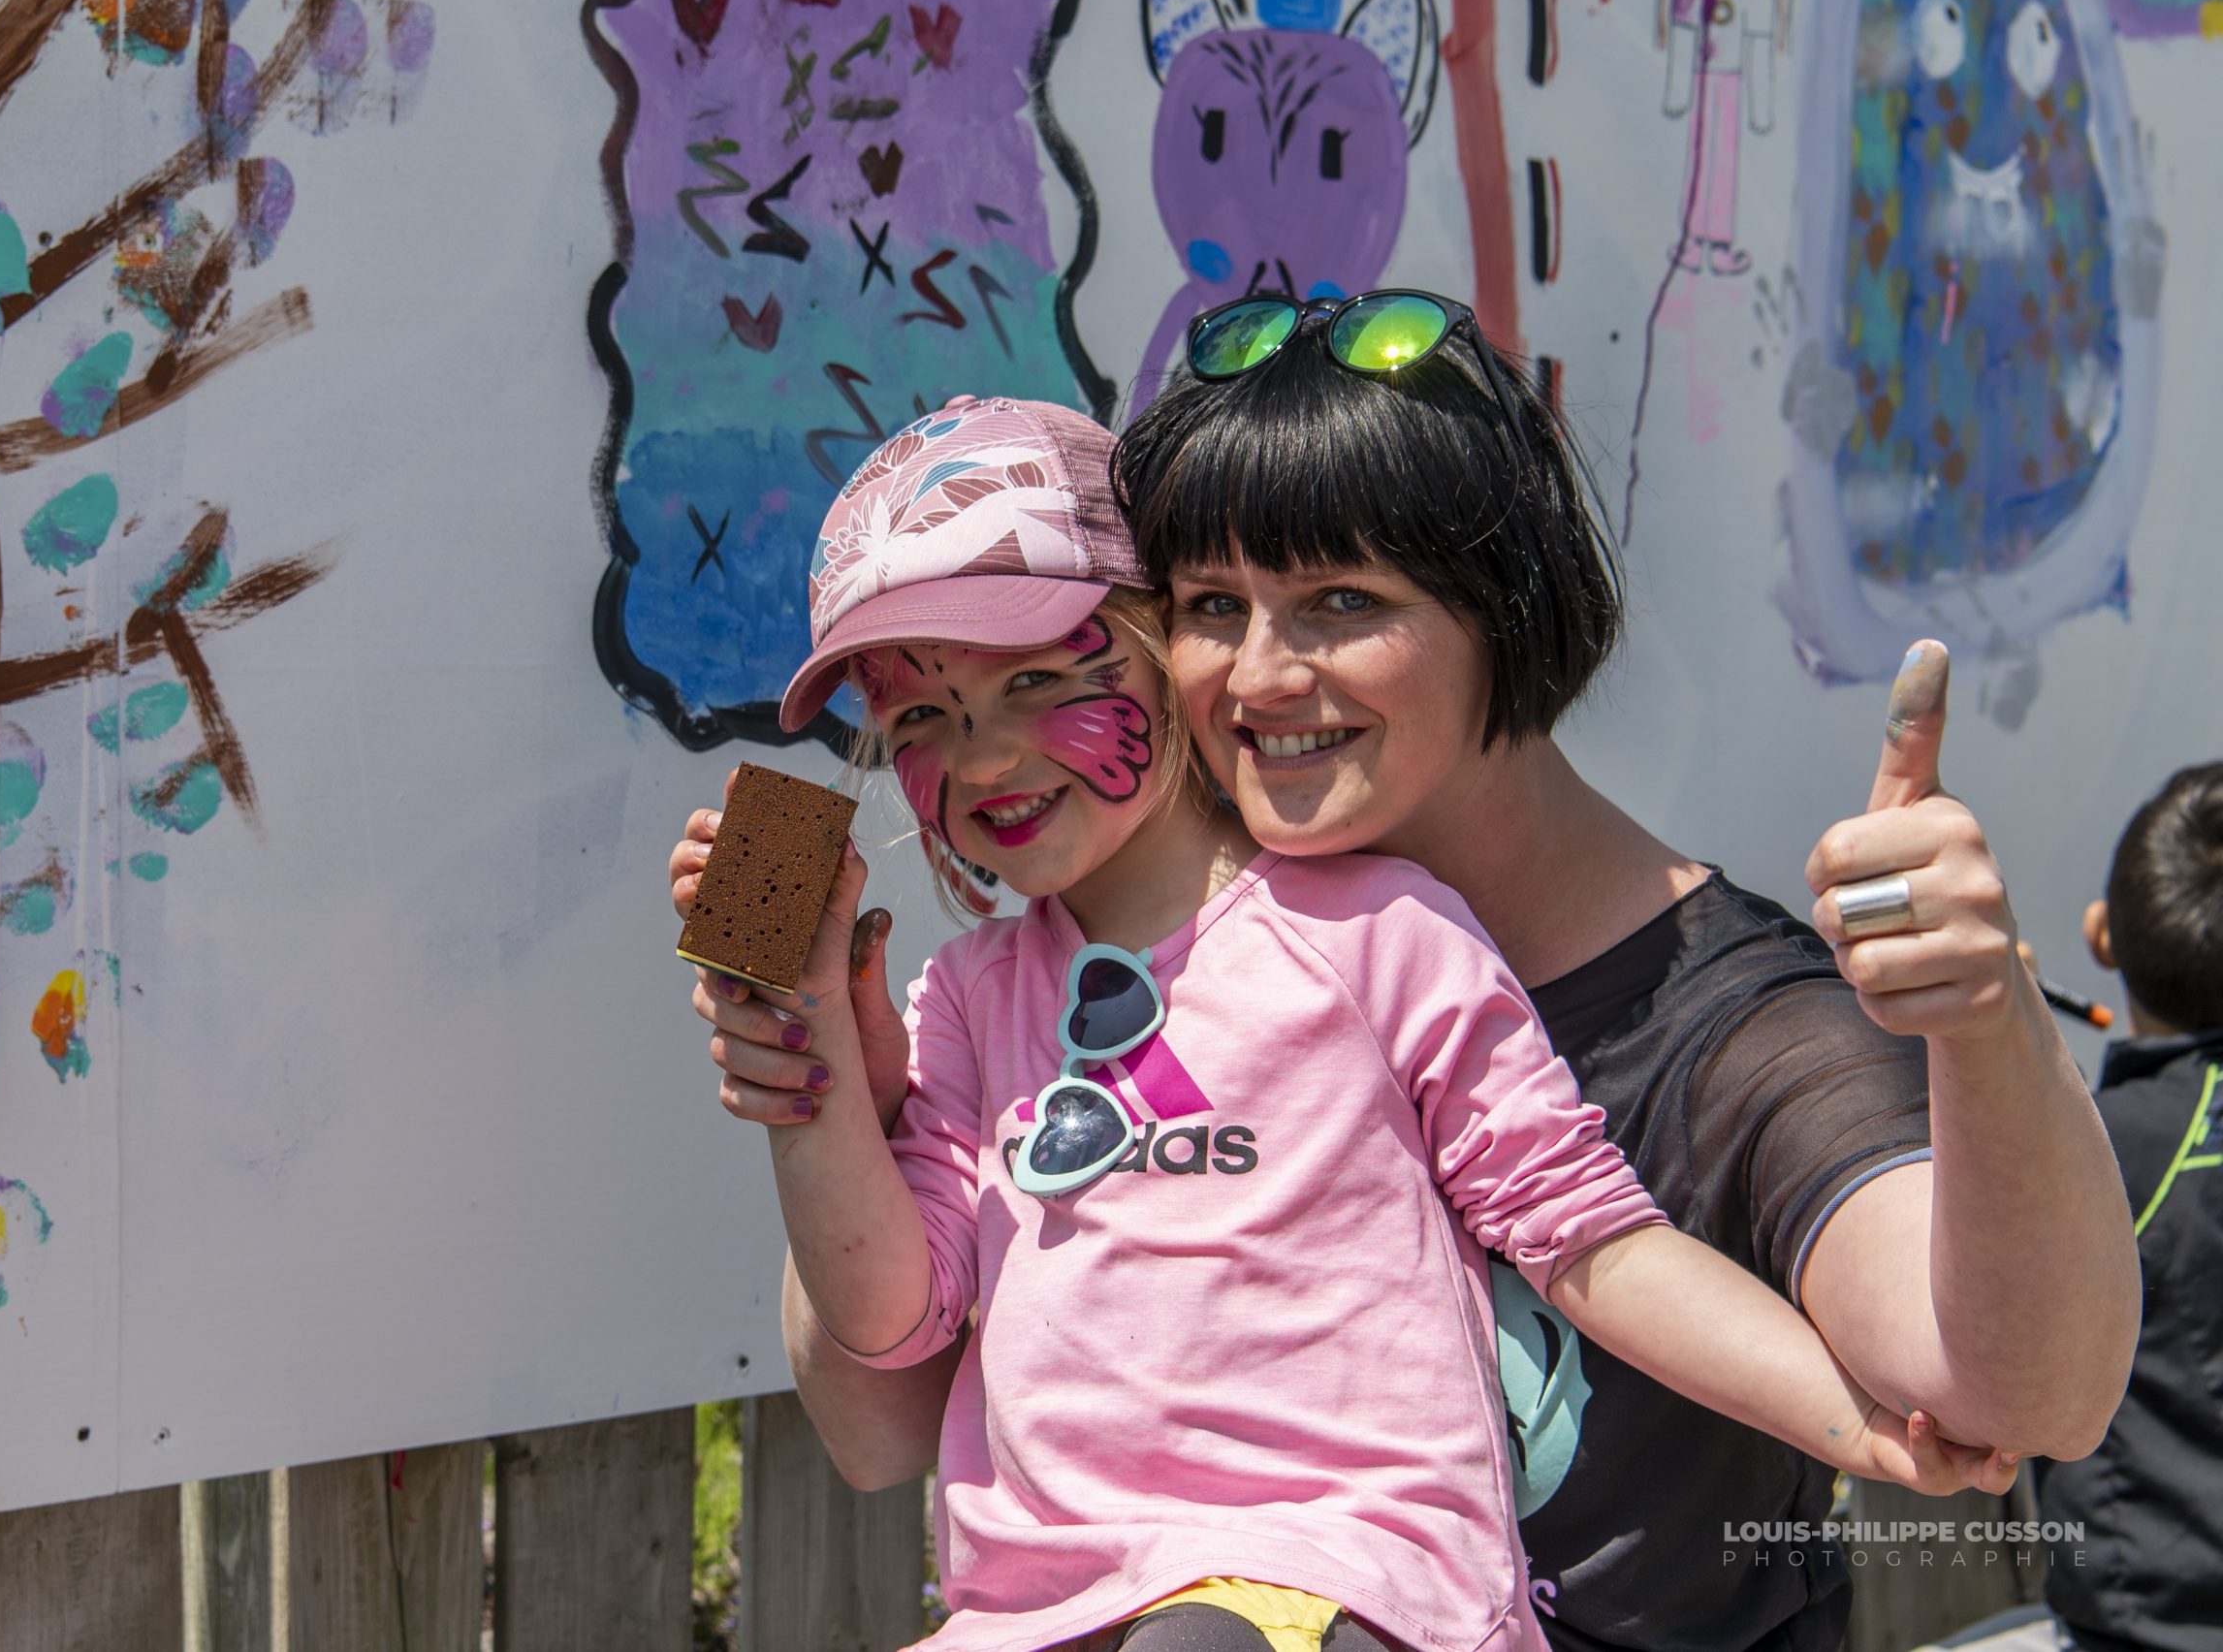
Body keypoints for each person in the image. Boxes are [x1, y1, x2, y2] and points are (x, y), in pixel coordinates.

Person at [673, 296, 2140, 1652]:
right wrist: (825, 1087)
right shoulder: (1004, 985)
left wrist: (1988, 1020)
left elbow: (2020, 1392)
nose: (1257, 675)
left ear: (1500, 606)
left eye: (1339, 602)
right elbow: (881, 1416)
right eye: (1211, 604)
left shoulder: (1698, 1014)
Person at [1925, 762, 2223, 1652]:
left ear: (2103, 937)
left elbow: (1962, 1348)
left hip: (2150, 1625)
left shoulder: (2108, 1148)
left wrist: (1998, 1071)